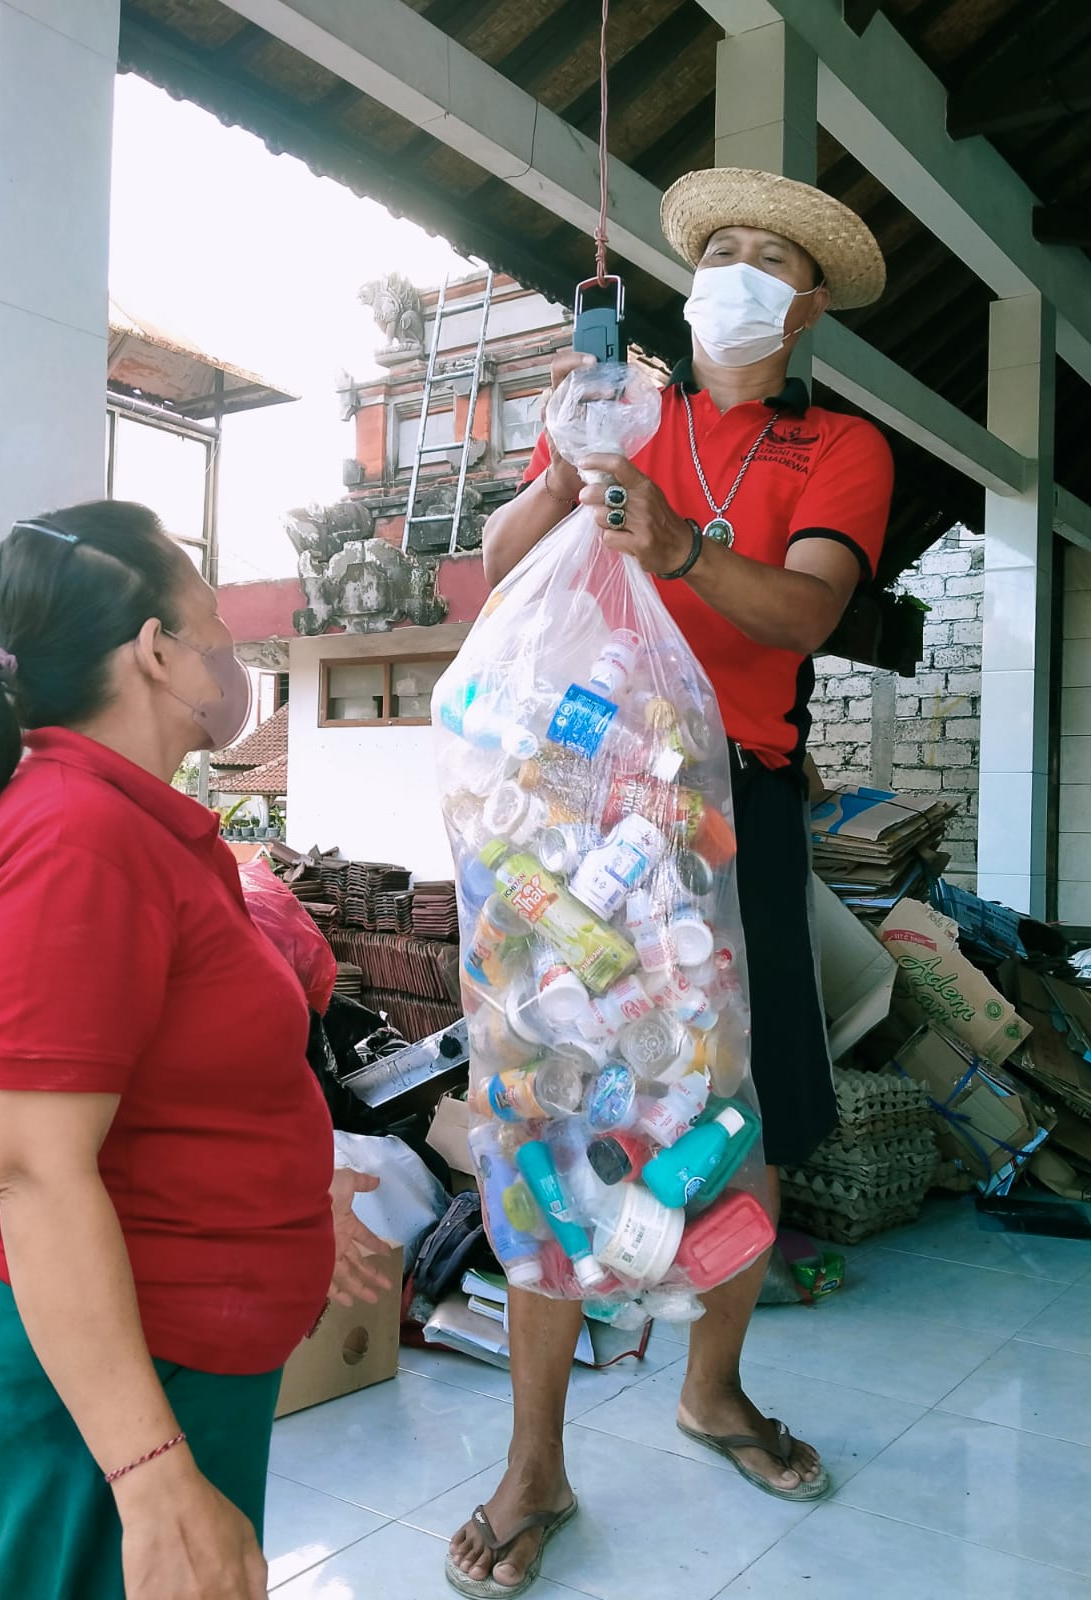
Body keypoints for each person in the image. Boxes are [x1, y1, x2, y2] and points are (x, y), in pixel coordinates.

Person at [447, 167, 894, 1596]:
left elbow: (809, 607)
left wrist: (686, 546)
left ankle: (710, 1388)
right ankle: (535, 1463)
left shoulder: (837, 447)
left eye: (771, 259)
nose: (739, 273)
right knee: (538, 1103)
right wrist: (568, 465)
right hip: (573, 802)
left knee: (730, 1114)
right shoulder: (623, 407)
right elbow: (497, 579)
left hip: (730, 808)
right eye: (721, 252)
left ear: (805, 306)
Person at [0, 502, 393, 1600]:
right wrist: (153, 1477)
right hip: (111, 1383)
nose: (233, 652)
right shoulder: (76, 838)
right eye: (214, 622)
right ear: (157, 650)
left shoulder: (136, 825)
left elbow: (178, 1075)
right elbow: (32, 1167)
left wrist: (284, 1188)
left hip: (175, 1346)